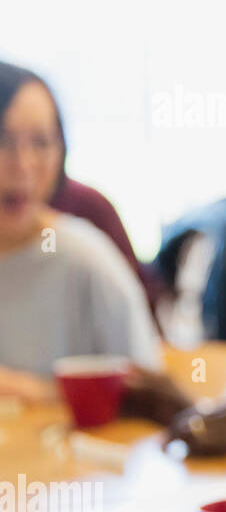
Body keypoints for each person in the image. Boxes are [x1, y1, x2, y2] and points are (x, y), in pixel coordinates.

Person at [0, 62, 160, 400]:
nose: (23, 164)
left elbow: (148, 396)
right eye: (3, 139)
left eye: (41, 142)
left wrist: (33, 392)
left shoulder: (86, 258)